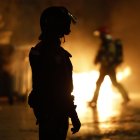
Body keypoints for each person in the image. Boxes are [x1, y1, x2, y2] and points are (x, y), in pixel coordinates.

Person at [28, 6, 81, 140]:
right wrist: (73, 115)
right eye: (65, 22)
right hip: (55, 111)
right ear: (56, 24)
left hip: (47, 111)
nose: (68, 25)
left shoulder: (42, 49)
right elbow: (61, 89)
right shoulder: (53, 53)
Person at [88, 27, 130, 107]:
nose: (99, 37)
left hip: (108, 67)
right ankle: (94, 101)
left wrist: (101, 61)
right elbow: (100, 53)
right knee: (102, 83)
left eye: (100, 35)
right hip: (106, 67)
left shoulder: (109, 43)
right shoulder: (105, 43)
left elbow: (106, 54)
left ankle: (94, 101)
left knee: (106, 83)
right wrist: (97, 60)